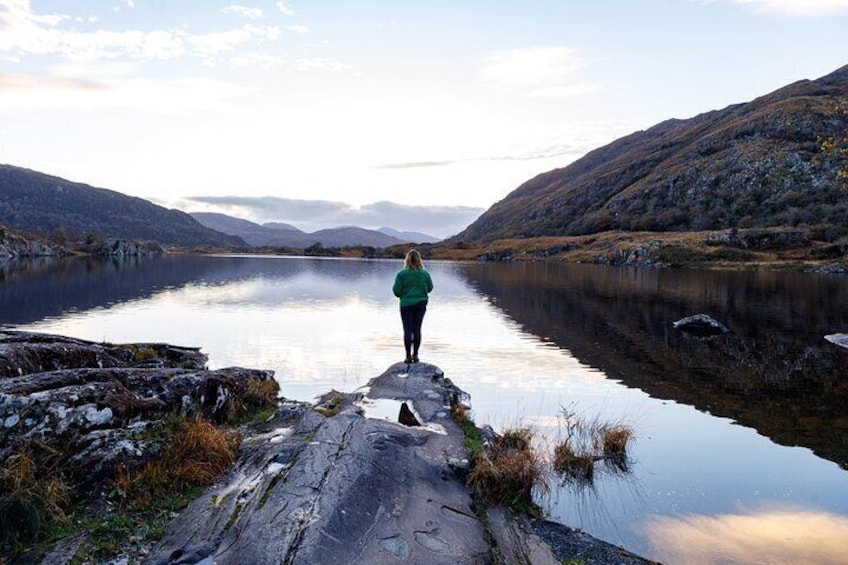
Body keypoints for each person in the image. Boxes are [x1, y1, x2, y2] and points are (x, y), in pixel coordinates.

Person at [392, 249, 433, 363]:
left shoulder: (401, 274)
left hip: (406, 305)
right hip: (421, 304)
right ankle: (415, 355)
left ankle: (408, 357)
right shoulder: (425, 273)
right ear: (419, 260)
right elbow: (430, 288)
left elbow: (397, 292)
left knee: (407, 330)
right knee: (417, 329)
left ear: (407, 260)